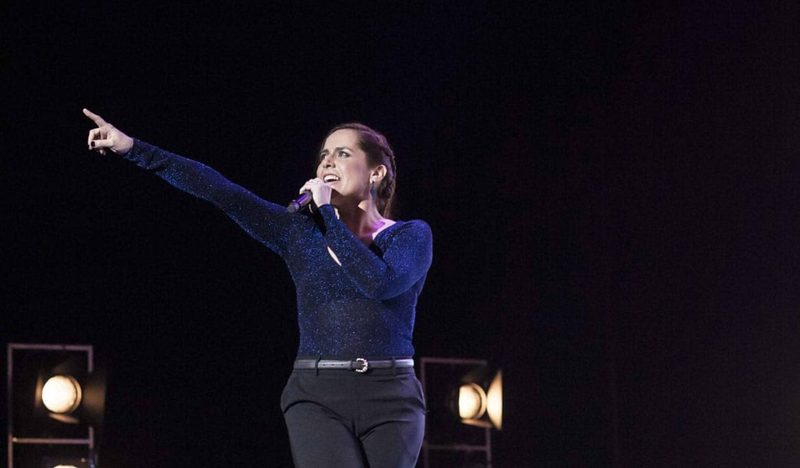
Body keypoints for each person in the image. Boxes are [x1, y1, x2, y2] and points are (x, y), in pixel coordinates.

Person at [83, 108, 432, 467]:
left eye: (343, 153)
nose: (327, 162)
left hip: (392, 395)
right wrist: (133, 148)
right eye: (324, 155)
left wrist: (327, 215)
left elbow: (379, 283)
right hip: (318, 393)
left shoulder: (410, 236)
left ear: (376, 172)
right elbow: (222, 192)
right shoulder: (300, 234)